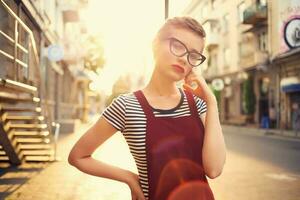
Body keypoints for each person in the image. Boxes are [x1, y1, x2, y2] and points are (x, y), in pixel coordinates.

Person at [68, 16, 226, 200]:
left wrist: (212, 102)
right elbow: (78, 156)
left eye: (193, 55)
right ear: (155, 44)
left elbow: (214, 169)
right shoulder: (126, 106)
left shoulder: (198, 104)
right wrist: (128, 177)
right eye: (177, 46)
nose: (184, 59)